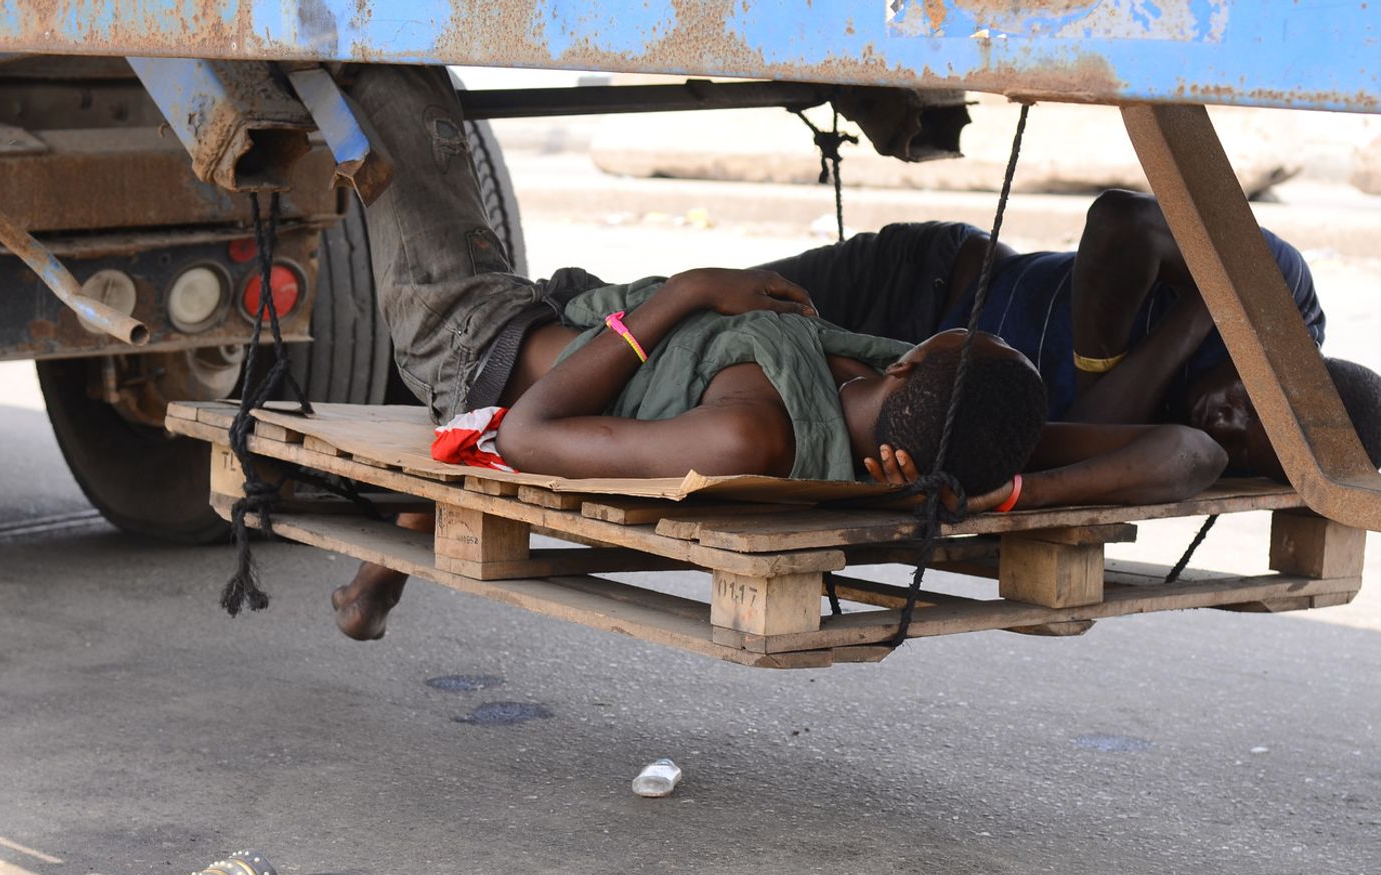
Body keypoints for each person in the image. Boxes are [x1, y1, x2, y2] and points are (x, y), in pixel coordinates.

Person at [328, 65, 1227, 641]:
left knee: (389, 79)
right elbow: (1197, 454)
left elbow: (524, 437)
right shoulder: (955, 442)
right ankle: (397, 552)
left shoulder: (745, 437)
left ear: (910, 364)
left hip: (476, 343)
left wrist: (685, 292)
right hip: (581, 308)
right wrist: (1024, 491)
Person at [761, 191, 1381, 480]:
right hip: (929, 284)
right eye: (1251, 406)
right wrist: (1124, 370)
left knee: (715, 375)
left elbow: (1127, 441)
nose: (1226, 424)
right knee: (701, 303)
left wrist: (1201, 311)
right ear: (1290, 372)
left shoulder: (1203, 441)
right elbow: (1119, 222)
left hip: (906, 397)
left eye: (1246, 453)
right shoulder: (1275, 296)